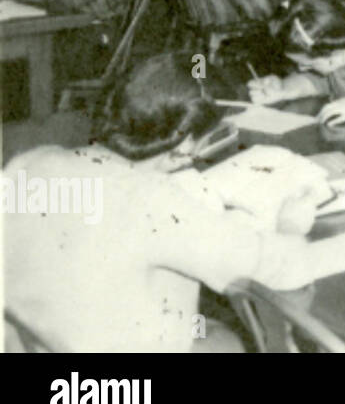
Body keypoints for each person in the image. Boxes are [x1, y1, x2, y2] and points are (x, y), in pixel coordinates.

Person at [3, 52, 318, 352]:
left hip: (41, 350)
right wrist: (292, 222)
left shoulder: (29, 163)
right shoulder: (155, 202)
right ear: (183, 146)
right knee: (239, 334)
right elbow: (284, 268)